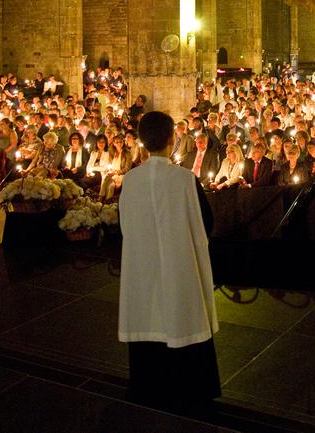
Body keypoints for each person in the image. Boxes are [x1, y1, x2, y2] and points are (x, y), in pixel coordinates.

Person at [118, 110, 219, 410]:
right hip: (179, 266)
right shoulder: (184, 179)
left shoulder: (130, 180)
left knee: (148, 316)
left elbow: (124, 223)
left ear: (142, 141)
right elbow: (206, 222)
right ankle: (189, 391)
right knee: (180, 314)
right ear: (172, 138)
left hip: (142, 267)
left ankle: (147, 387)